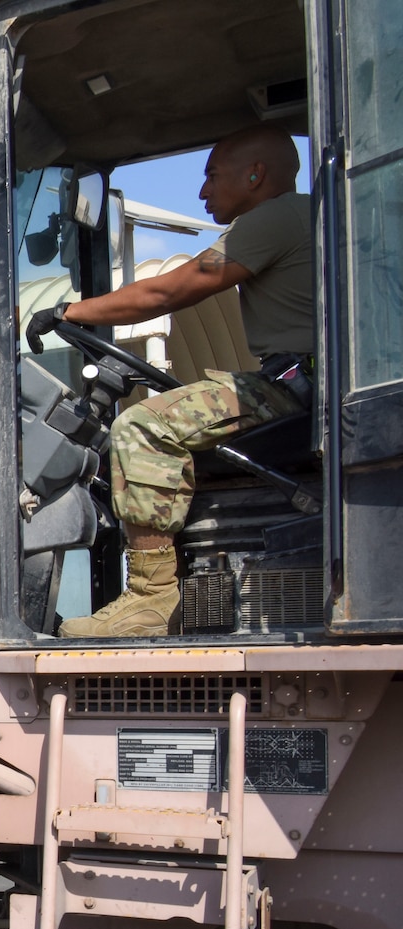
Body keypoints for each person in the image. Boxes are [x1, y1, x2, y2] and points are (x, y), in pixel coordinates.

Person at [27, 123, 313, 637]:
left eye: (212, 176)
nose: (202, 191)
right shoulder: (300, 217)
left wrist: (70, 310)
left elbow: (173, 291)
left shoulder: (276, 217)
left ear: (256, 174)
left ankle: (151, 598)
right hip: (303, 382)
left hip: (296, 385)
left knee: (141, 427)